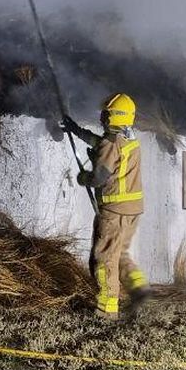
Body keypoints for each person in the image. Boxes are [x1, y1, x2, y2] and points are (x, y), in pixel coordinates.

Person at [62, 94, 153, 322]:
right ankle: (138, 287)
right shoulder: (129, 140)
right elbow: (98, 142)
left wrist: (84, 178)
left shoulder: (111, 143)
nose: (102, 117)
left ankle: (107, 309)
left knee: (104, 257)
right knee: (119, 252)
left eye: (106, 113)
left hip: (114, 211)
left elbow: (99, 177)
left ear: (114, 116)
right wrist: (76, 130)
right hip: (132, 210)